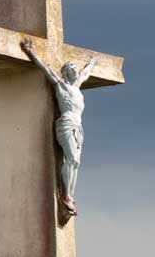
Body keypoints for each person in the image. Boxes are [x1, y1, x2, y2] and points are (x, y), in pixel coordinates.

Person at [20, 37, 97, 215]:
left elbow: (86, 74)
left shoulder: (77, 87)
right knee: (71, 159)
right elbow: (46, 69)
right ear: (66, 73)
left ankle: (69, 194)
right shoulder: (60, 85)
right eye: (72, 70)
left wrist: (92, 63)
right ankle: (66, 196)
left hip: (78, 127)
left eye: (76, 70)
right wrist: (30, 52)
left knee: (75, 162)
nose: (76, 72)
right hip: (66, 123)